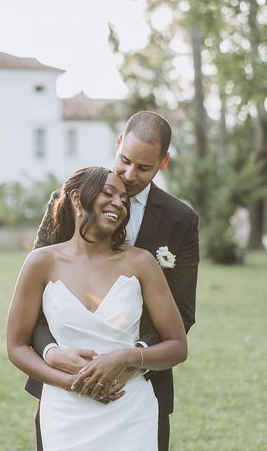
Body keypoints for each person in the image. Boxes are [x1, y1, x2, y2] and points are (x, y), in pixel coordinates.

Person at [26, 111, 199, 450]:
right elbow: (36, 298)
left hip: (138, 388)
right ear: (118, 143)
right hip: (64, 387)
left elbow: (182, 311)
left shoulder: (181, 220)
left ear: (163, 163)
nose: (129, 175)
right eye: (124, 160)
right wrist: (51, 352)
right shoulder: (70, 199)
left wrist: (130, 360)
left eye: (144, 168)